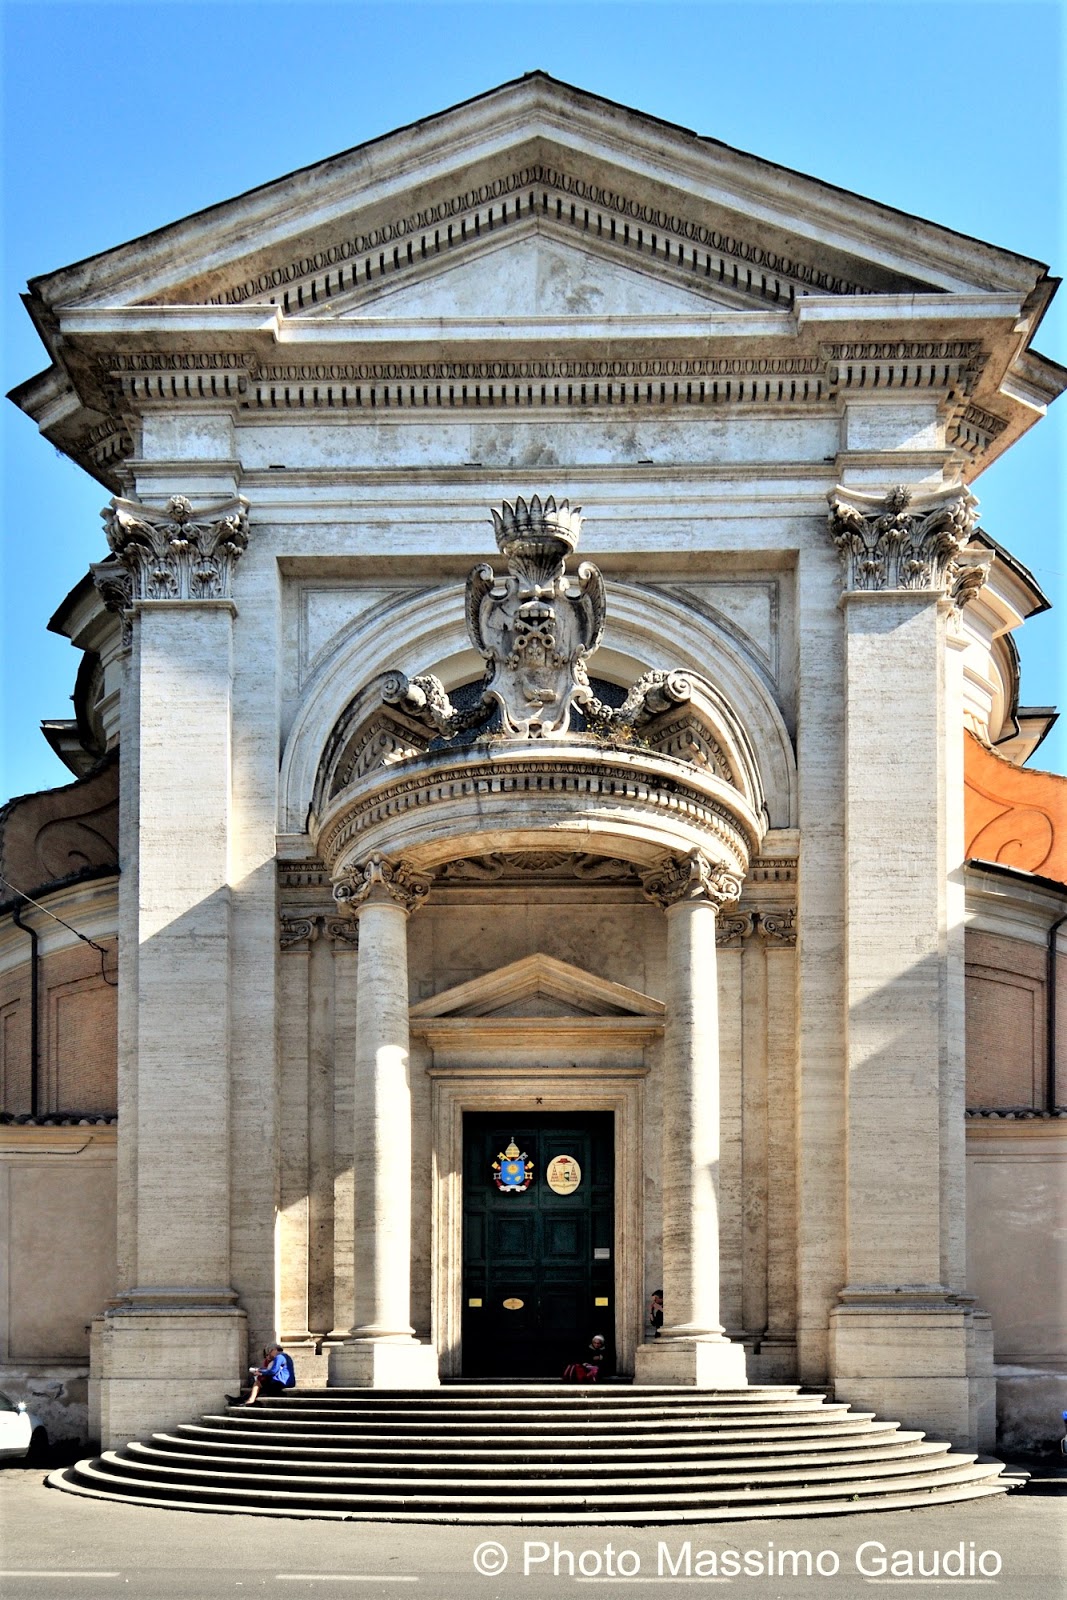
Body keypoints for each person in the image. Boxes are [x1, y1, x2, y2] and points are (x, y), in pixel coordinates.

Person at [227, 1344, 296, 1407]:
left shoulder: (279, 1357)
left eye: (270, 1352)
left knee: (258, 1383)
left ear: (274, 1350)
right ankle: (240, 1400)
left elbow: (273, 1371)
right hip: (287, 1382)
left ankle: (247, 1401)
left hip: (281, 1382)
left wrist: (260, 1372)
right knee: (260, 1387)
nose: (269, 1354)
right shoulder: (286, 1356)